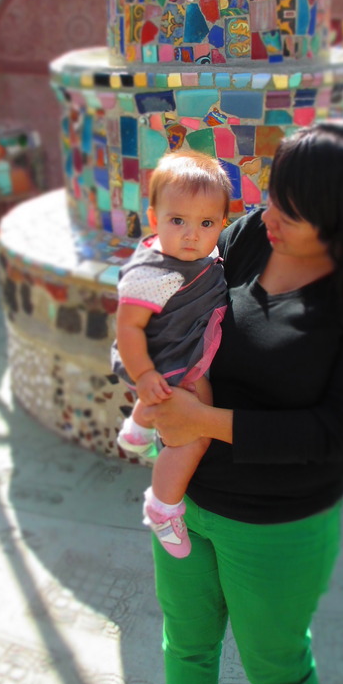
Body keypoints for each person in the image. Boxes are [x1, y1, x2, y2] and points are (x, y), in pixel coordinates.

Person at [137, 120, 343, 684]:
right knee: (185, 647)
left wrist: (201, 420)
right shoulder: (250, 238)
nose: (269, 217)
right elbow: (176, 289)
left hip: (276, 524)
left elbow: (335, 431)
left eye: (292, 213)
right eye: (273, 198)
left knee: (277, 671)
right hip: (184, 500)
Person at [111, 150, 231, 558]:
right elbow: (129, 328)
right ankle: (162, 507)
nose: (191, 235)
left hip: (184, 352)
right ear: (153, 217)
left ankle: (138, 428)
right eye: (177, 220)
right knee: (194, 437)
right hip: (168, 365)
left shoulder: (200, 255)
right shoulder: (154, 274)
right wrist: (144, 376)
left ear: (222, 223)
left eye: (206, 223)